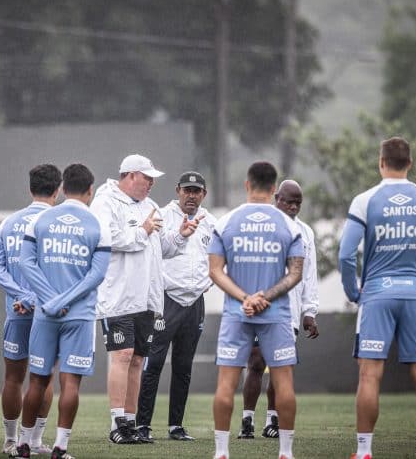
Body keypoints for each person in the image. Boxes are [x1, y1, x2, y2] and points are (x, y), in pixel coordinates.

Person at [339, 137, 416, 459]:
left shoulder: (364, 200)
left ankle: (364, 451)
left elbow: (345, 256)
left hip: (376, 295)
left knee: (370, 376)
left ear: (381, 162)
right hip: (414, 295)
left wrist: (354, 293)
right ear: (410, 163)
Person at [91, 154, 200, 444]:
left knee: (138, 359)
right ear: (130, 175)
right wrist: (142, 230)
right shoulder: (105, 202)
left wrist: (180, 236)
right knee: (123, 355)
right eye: (147, 177)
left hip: (146, 299)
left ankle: (131, 423)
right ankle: (117, 424)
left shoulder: (150, 206)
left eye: (153, 178)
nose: (151, 183)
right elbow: (107, 240)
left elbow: (161, 248)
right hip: (118, 296)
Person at [13, 163, 112, 459]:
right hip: (79, 316)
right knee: (70, 383)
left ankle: (23, 445)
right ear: (90, 190)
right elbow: (96, 276)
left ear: (62, 188)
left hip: (45, 314)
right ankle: (60, 447)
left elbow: (26, 263)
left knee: (37, 380)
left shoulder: (39, 220)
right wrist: (64, 300)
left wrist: (51, 300)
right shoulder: (98, 225)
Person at [209, 161, 305, 459]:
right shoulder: (290, 226)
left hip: (237, 314)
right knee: (284, 384)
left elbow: (215, 271)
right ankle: (285, 452)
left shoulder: (225, 222)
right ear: (274, 188)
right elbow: (296, 273)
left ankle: (221, 452)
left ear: (247, 185)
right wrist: (265, 297)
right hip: (276, 315)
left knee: (226, 384)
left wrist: (245, 298)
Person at [135, 171, 215, 442]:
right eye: (187, 190)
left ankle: (175, 426)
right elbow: (152, 254)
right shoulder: (162, 215)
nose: (191, 196)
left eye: (197, 191)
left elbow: (216, 260)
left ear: (204, 194)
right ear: (178, 190)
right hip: (166, 299)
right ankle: (142, 424)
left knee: (183, 365)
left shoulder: (211, 223)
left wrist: (208, 282)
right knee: (154, 362)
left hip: (195, 301)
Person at [238, 180, 320, 440]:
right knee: (256, 362)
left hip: (289, 311)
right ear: (277, 199)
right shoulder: (259, 226)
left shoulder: (305, 233)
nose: (294, 207)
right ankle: (247, 420)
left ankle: (272, 420)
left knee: (279, 366)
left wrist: (310, 311)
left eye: (298, 203)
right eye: (289, 202)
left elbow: (309, 274)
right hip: (260, 307)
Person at [0, 164, 61, 455]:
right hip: (47, 312)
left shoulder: (8, 223)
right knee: (43, 378)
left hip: (17, 312)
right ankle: (35, 440)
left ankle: (10, 440)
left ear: (30, 188)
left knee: (13, 378)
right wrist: (33, 297)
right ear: (58, 189)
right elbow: (57, 271)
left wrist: (21, 295)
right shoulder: (57, 224)